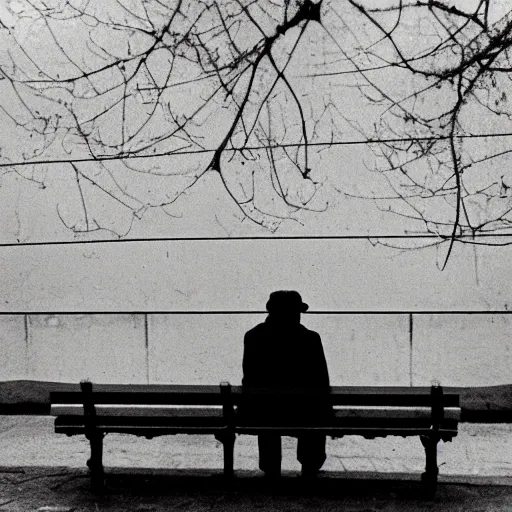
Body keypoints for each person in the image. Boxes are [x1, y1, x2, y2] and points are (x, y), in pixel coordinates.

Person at [241, 290, 331, 478]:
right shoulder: (311, 339)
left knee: (264, 405)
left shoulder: (253, 336)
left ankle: (270, 466)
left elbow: (249, 377)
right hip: (303, 412)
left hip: (263, 412)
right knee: (314, 407)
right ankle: (310, 464)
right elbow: (321, 380)